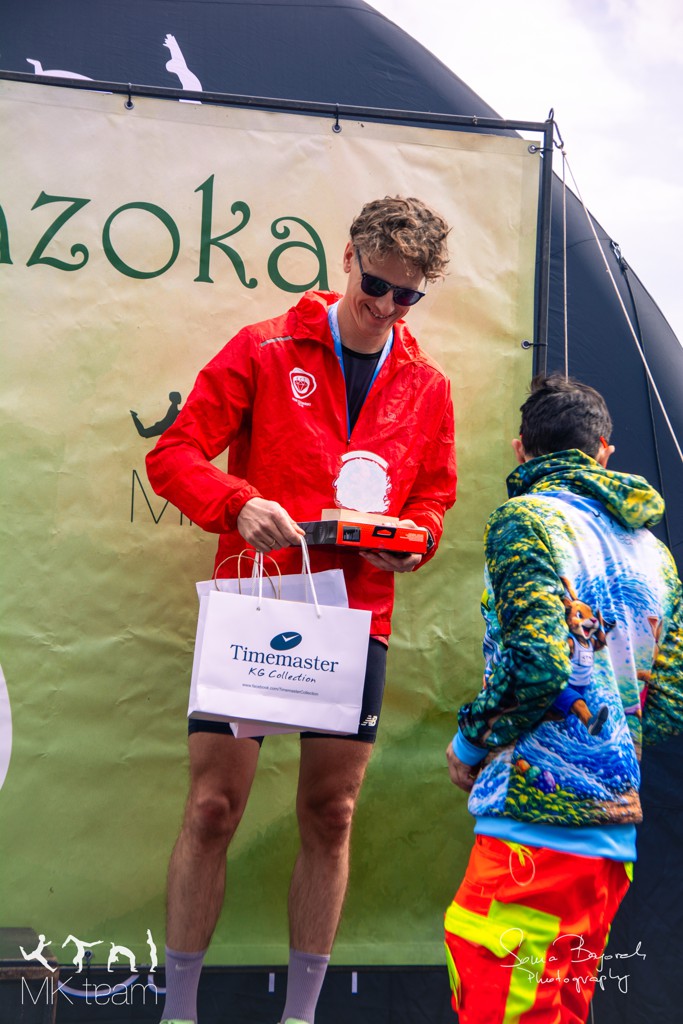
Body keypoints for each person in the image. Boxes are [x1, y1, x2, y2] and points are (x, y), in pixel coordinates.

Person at [145, 196, 457, 1024]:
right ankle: (179, 1012)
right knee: (213, 809)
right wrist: (236, 503)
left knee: (331, 813)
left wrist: (415, 541)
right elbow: (172, 454)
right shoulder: (264, 347)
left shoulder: (427, 385)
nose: (386, 306)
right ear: (346, 258)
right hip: (257, 599)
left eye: (407, 296)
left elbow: (433, 496)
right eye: (376, 285)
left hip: (356, 614)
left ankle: (301, 1016)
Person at [444, 373, 683, 1023]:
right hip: (610, 845)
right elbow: (668, 706)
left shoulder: (524, 521)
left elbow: (537, 666)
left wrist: (469, 743)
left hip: (531, 836)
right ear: (603, 451)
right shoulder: (655, 554)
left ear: (521, 450)